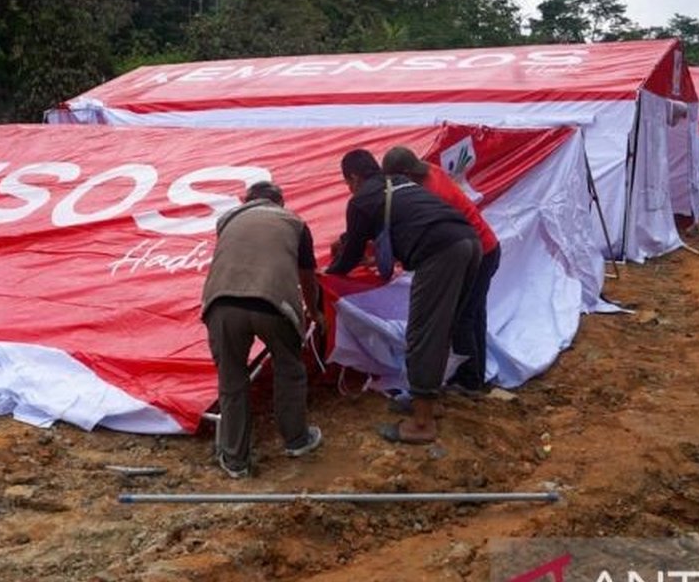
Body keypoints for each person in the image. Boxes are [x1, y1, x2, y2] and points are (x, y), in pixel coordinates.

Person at [325, 150, 480, 445]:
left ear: (354, 178)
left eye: (347, 183)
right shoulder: (396, 183)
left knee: (423, 333)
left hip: (441, 253)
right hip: (468, 243)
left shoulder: (360, 200)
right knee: (441, 329)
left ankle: (421, 424)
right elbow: (394, 228)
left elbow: (352, 253)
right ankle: (432, 403)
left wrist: (329, 274)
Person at [201, 181, 323, 478]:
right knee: (289, 369)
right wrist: (315, 312)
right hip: (273, 303)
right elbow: (307, 276)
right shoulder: (294, 223)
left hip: (221, 304)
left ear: (246, 201)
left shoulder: (227, 220)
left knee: (232, 380)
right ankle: (296, 440)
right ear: (280, 202)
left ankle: (235, 460)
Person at [381, 146, 500, 396]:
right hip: (486, 246)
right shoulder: (430, 171)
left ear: (403, 174)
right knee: (474, 313)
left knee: (461, 318)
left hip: (476, 252)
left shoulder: (430, 192)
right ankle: (475, 375)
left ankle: (468, 381)